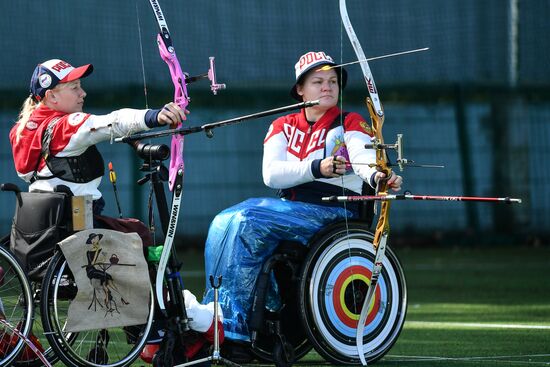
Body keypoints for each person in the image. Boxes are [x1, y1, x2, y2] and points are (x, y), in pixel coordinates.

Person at [202, 51, 403, 344]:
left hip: (334, 213)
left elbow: (363, 158)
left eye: (333, 81)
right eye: (317, 82)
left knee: (247, 220)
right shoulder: (282, 126)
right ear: (300, 89)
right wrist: (316, 167)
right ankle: (219, 316)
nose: (327, 87)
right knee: (224, 221)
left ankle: (235, 327)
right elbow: (271, 175)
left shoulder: (350, 121)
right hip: (290, 211)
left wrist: (378, 176)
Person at [10, 58, 185, 218]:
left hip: (40, 220)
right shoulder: (65, 127)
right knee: (137, 239)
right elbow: (113, 122)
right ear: (51, 96)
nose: (83, 93)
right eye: (75, 87)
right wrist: (156, 116)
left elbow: (25, 173)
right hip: (73, 224)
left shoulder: (22, 129)